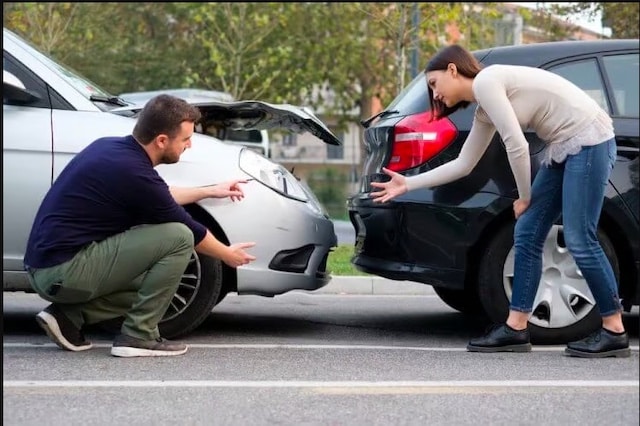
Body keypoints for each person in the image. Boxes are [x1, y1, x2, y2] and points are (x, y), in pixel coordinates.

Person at [370, 44, 630, 358]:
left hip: (589, 142)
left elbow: (517, 146)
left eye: (434, 84)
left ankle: (614, 329)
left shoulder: (487, 81)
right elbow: (464, 164)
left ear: (453, 69)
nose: (434, 94)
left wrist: (523, 198)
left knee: (579, 237)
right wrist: (408, 183)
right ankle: (516, 326)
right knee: (528, 231)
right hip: (565, 147)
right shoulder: (484, 108)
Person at [24, 94, 257, 358]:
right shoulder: (133, 172)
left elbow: (160, 194)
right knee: (179, 236)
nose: (189, 145)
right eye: (185, 139)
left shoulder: (111, 149)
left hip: (49, 268)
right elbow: (190, 229)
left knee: (159, 282)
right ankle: (138, 335)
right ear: (161, 140)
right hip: (62, 272)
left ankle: (68, 317)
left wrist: (211, 190)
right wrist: (228, 255)